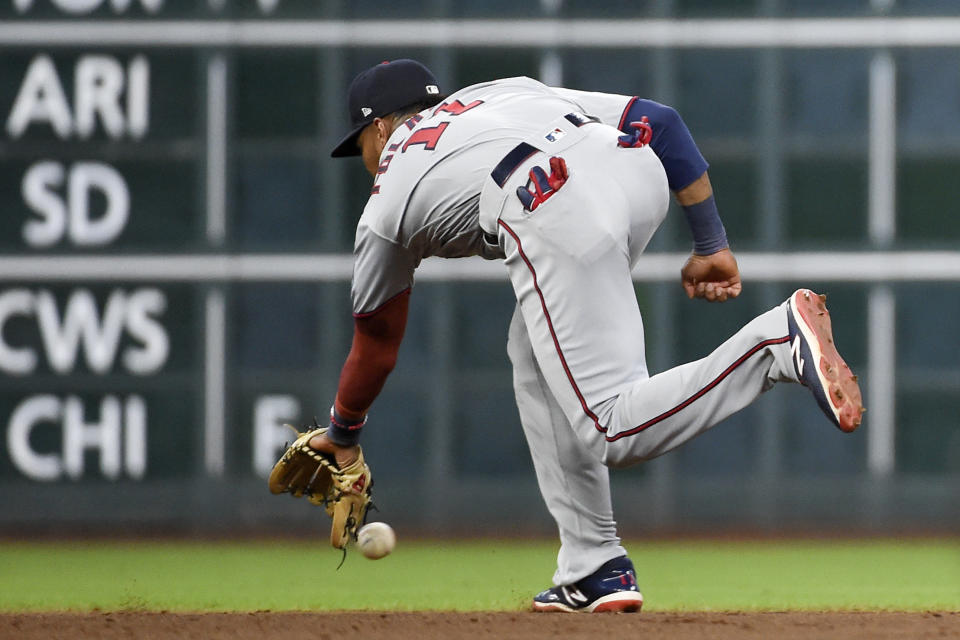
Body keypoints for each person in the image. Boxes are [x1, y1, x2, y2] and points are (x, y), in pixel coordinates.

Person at [311, 59, 864, 613]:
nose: (360, 159)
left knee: (613, 429)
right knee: (532, 354)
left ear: (380, 128)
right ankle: (594, 566)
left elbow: (376, 347)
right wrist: (710, 243)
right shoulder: (499, 93)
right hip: (632, 172)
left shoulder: (386, 202)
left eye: (357, 142)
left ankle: (773, 345)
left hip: (549, 198)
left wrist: (342, 432)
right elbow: (662, 122)